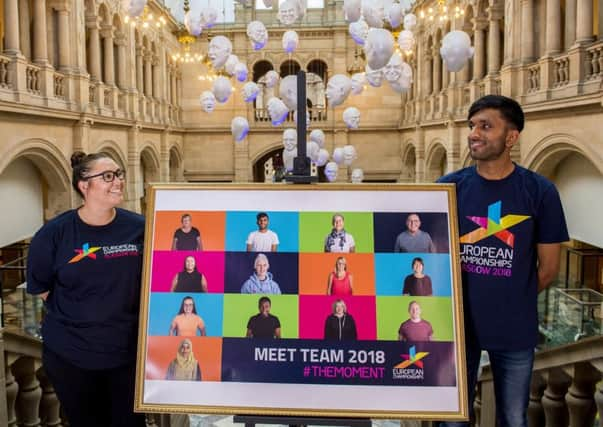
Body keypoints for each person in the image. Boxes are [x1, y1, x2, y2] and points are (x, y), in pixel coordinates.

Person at [437, 95, 569, 427]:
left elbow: (549, 269)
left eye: (485, 126)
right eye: (472, 125)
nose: (473, 133)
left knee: (513, 418)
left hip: (514, 329)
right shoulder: (448, 187)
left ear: (511, 137)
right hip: (457, 327)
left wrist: (511, 294)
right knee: (453, 419)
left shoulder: (540, 192)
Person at [26, 151, 146, 427]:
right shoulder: (53, 234)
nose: (117, 181)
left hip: (128, 356)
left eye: (118, 174)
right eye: (107, 176)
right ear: (84, 185)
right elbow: (42, 288)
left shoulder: (139, 227)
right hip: (71, 357)